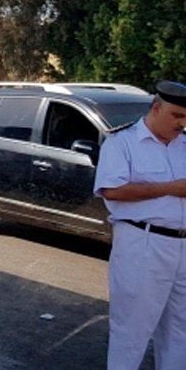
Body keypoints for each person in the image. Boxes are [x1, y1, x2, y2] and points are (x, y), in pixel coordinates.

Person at [94, 80, 186, 370]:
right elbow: (112, 190)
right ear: (156, 109)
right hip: (144, 244)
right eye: (176, 116)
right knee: (132, 331)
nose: (182, 123)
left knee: (180, 330)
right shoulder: (122, 143)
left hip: (183, 246)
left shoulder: (184, 145)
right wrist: (171, 188)